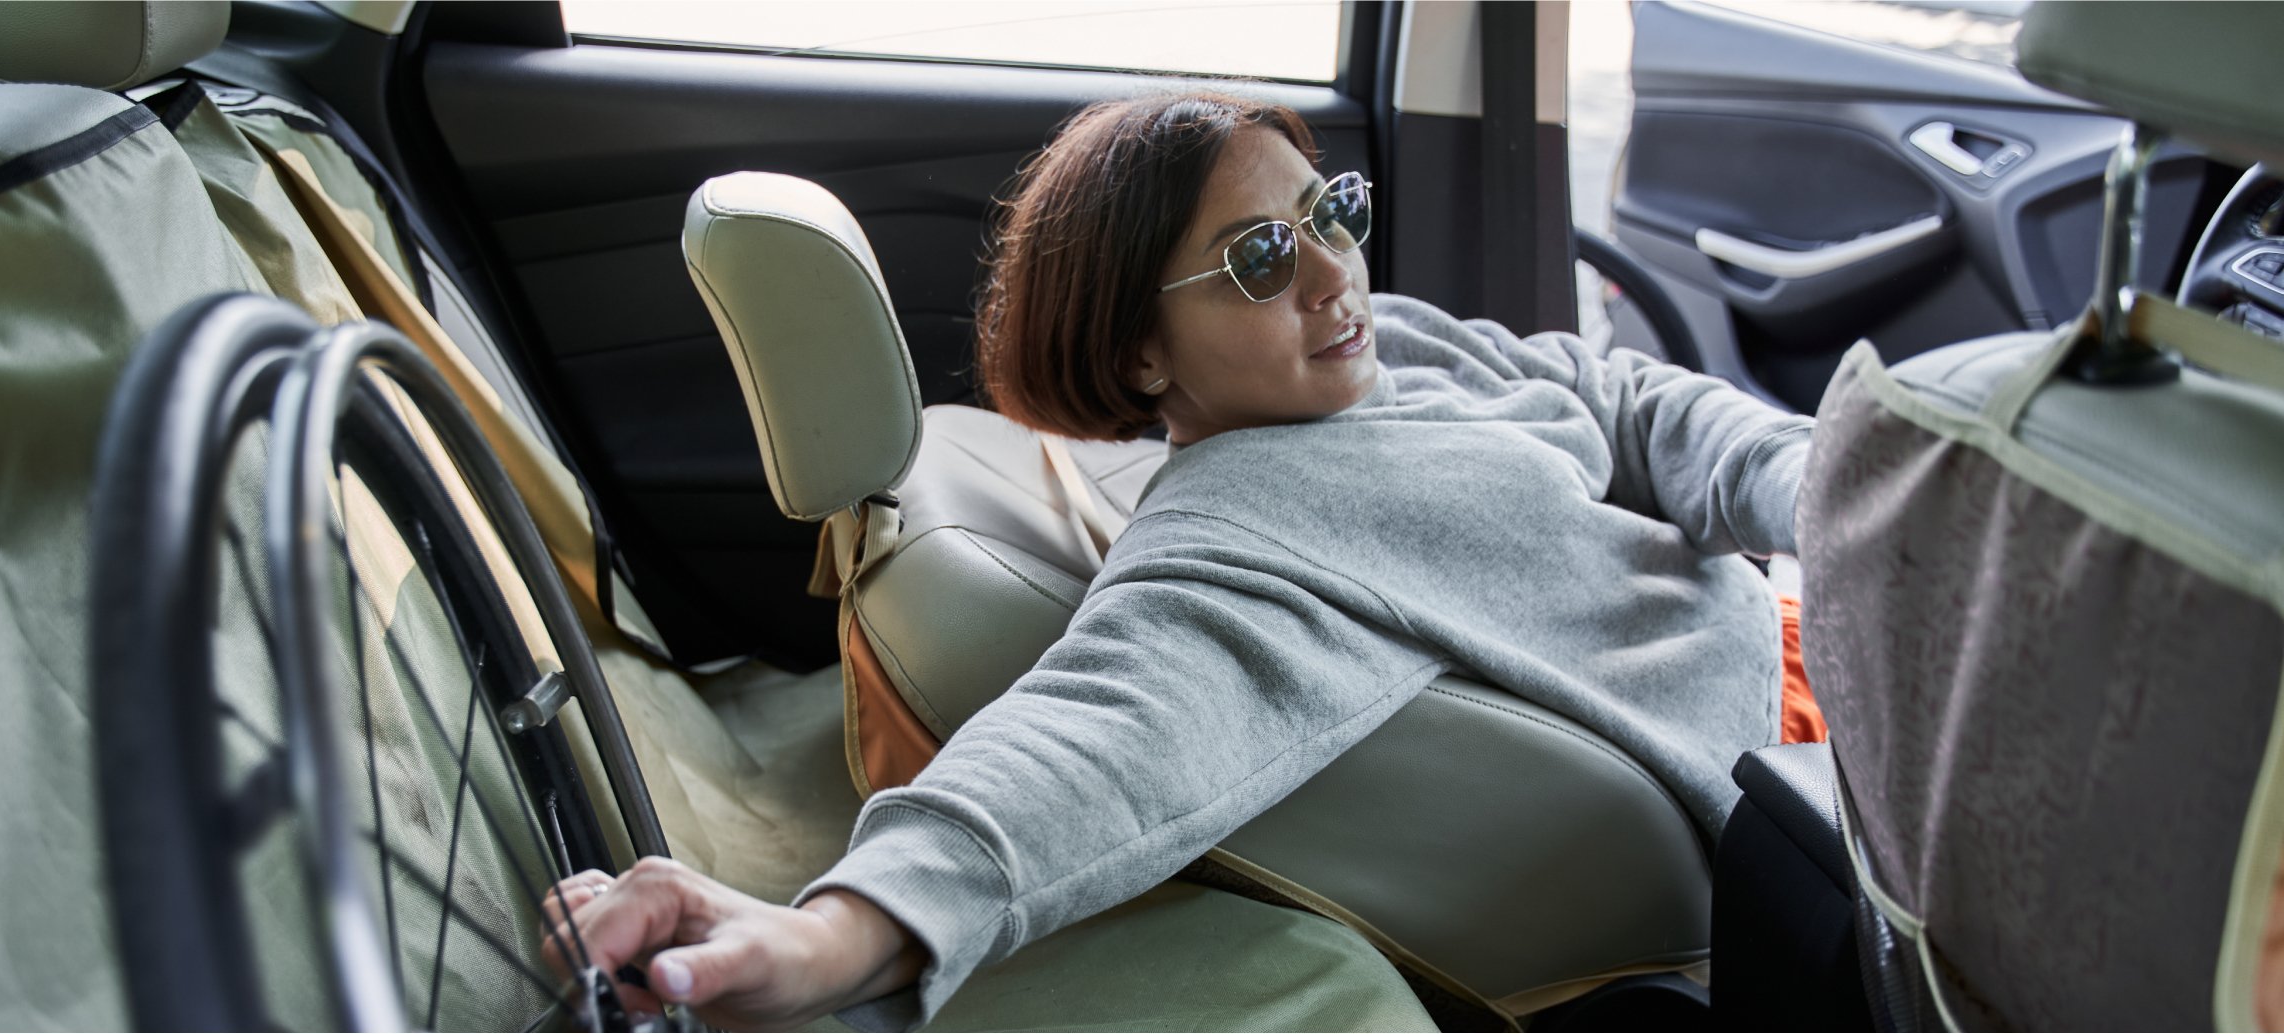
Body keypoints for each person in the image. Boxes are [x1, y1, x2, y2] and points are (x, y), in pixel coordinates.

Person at [541, 91, 1819, 1031]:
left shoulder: (1387, 342)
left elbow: (1616, 394)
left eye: (1328, 212)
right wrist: (829, 932)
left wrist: (1816, 484)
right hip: (1792, 776)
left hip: (1801, 618)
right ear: (1142, 354)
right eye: (1260, 260)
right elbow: (1094, 737)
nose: (1331, 274)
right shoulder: (1238, 538)